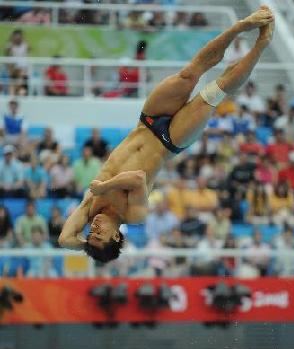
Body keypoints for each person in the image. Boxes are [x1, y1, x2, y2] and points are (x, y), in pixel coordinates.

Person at [59, 8, 275, 264]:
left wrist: (86, 245)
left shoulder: (89, 207)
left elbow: (64, 240)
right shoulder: (133, 214)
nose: (93, 230)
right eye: (100, 236)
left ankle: (241, 26)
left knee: (190, 72)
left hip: (146, 121)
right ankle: (262, 43)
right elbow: (138, 179)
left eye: (90, 234)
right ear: (116, 237)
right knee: (216, 90)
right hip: (170, 141)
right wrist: (105, 187)